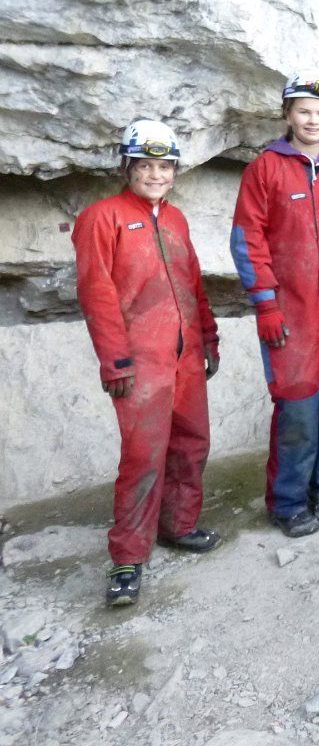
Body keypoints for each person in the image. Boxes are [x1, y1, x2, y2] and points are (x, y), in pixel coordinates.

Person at [72, 120, 222, 606]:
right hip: (140, 361)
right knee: (143, 456)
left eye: (164, 166)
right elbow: (97, 294)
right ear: (127, 167)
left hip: (186, 354)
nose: (156, 175)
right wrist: (115, 361)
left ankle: (178, 525)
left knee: (191, 443)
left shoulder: (175, 219)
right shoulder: (102, 217)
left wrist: (210, 338)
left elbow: (194, 285)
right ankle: (127, 558)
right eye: (145, 166)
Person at [230, 73, 319, 538]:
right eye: (303, 111)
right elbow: (246, 241)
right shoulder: (265, 169)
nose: (313, 120)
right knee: (298, 405)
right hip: (292, 311)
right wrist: (266, 304)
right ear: (287, 115)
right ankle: (287, 500)